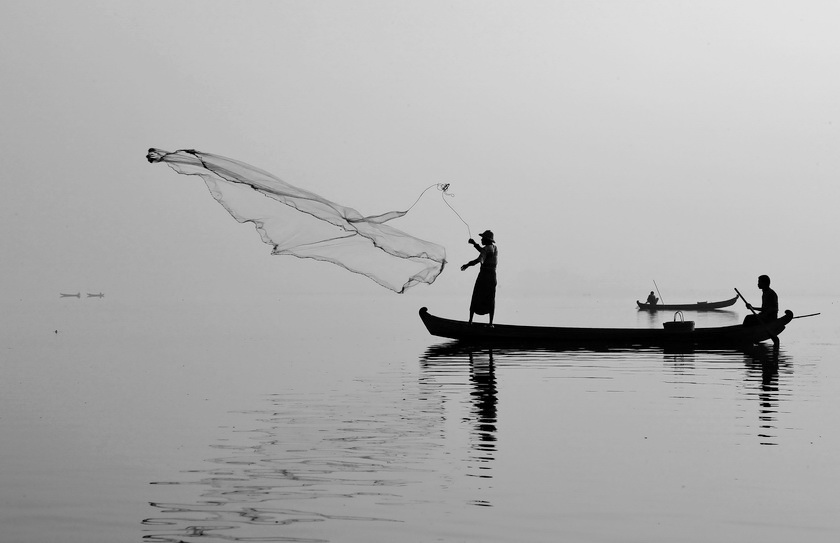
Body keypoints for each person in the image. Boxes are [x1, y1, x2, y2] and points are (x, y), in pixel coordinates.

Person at [460, 230, 498, 325]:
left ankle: (470, 322)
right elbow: (483, 252)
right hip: (492, 277)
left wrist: (467, 264)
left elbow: (479, 259)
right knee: (490, 298)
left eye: (482, 238)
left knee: (476, 296)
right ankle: (490, 324)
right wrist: (474, 244)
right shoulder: (494, 248)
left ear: (486, 240)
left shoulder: (487, 249)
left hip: (484, 277)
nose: (481, 239)